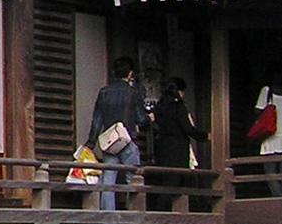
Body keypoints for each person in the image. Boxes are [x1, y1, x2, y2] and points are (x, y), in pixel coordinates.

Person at [86, 56, 148, 212]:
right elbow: (141, 119)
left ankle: (108, 216)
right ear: (130, 74)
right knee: (132, 178)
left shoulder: (104, 92)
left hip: (110, 141)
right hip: (128, 139)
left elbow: (97, 119)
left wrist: (91, 142)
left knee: (108, 180)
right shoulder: (134, 93)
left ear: (114, 72)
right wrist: (150, 118)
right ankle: (133, 214)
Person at [149, 76, 203, 211]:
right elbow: (188, 128)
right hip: (177, 148)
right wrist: (204, 136)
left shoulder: (159, 107)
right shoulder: (179, 107)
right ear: (179, 91)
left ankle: (161, 211)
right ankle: (168, 212)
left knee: (164, 180)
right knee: (176, 181)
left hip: (162, 146)